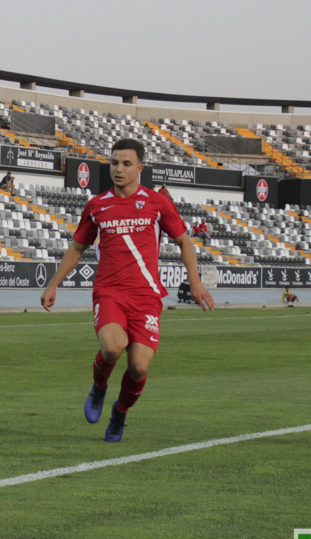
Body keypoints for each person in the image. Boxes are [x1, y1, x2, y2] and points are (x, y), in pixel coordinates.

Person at [40, 138, 214, 442]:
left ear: (140, 168)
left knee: (138, 367)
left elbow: (185, 241)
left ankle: (120, 413)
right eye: (114, 163)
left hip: (146, 296)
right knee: (112, 346)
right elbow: (78, 247)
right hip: (109, 292)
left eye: (126, 164)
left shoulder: (158, 203)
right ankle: (99, 389)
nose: (118, 169)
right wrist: (53, 284)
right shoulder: (97, 205)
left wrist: (195, 282)